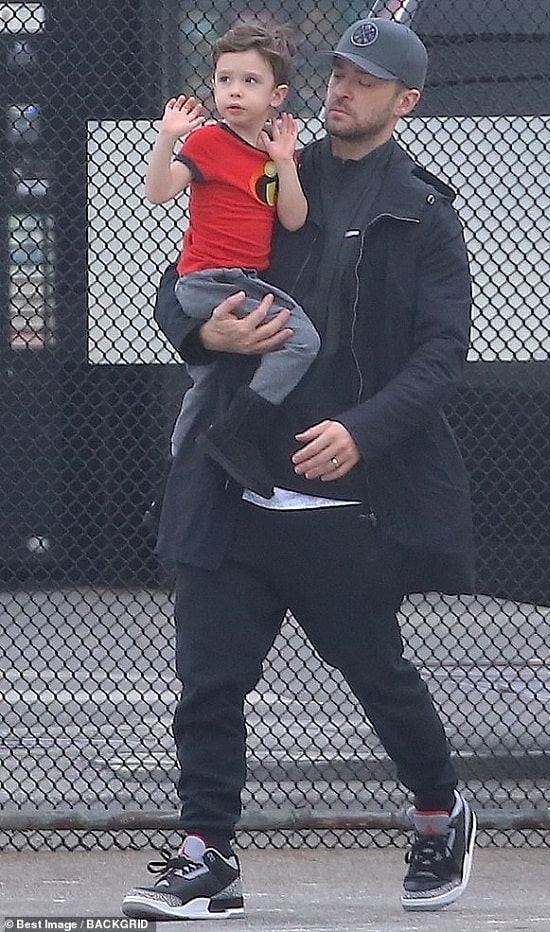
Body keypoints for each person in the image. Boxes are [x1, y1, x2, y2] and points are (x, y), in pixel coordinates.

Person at [122, 16, 477, 921]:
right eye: (339, 73)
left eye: (367, 80)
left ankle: (438, 812)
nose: (342, 90)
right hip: (233, 477)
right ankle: (207, 858)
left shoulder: (424, 212)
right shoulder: (273, 166)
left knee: (375, 672)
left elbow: (441, 357)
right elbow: (181, 276)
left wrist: (361, 432)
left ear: (408, 101)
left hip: (342, 500)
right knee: (210, 679)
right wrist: (203, 330)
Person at [145, 21, 320, 498]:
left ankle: (177, 480)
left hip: (240, 281)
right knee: (301, 340)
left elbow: (294, 219)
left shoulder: (274, 153)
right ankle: (238, 432)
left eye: (249, 81)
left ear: (277, 95)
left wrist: (285, 161)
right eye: (224, 80)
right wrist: (169, 136)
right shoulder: (206, 143)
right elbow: (159, 193)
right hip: (209, 282)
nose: (234, 92)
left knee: (204, 384)